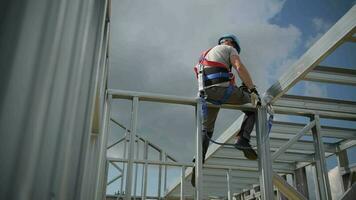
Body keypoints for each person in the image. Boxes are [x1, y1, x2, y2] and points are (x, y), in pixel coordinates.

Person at [191, 34, 260, 187]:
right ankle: (243, 139)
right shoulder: (229, 49)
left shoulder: (205, 54)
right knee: (255, 108)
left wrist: (238, 88)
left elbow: (221, 76)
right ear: (233, 44)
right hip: (222, 91)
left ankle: (199, 161)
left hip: (206, 95)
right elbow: (239, 67)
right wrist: (252, 90)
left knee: (207, 130)